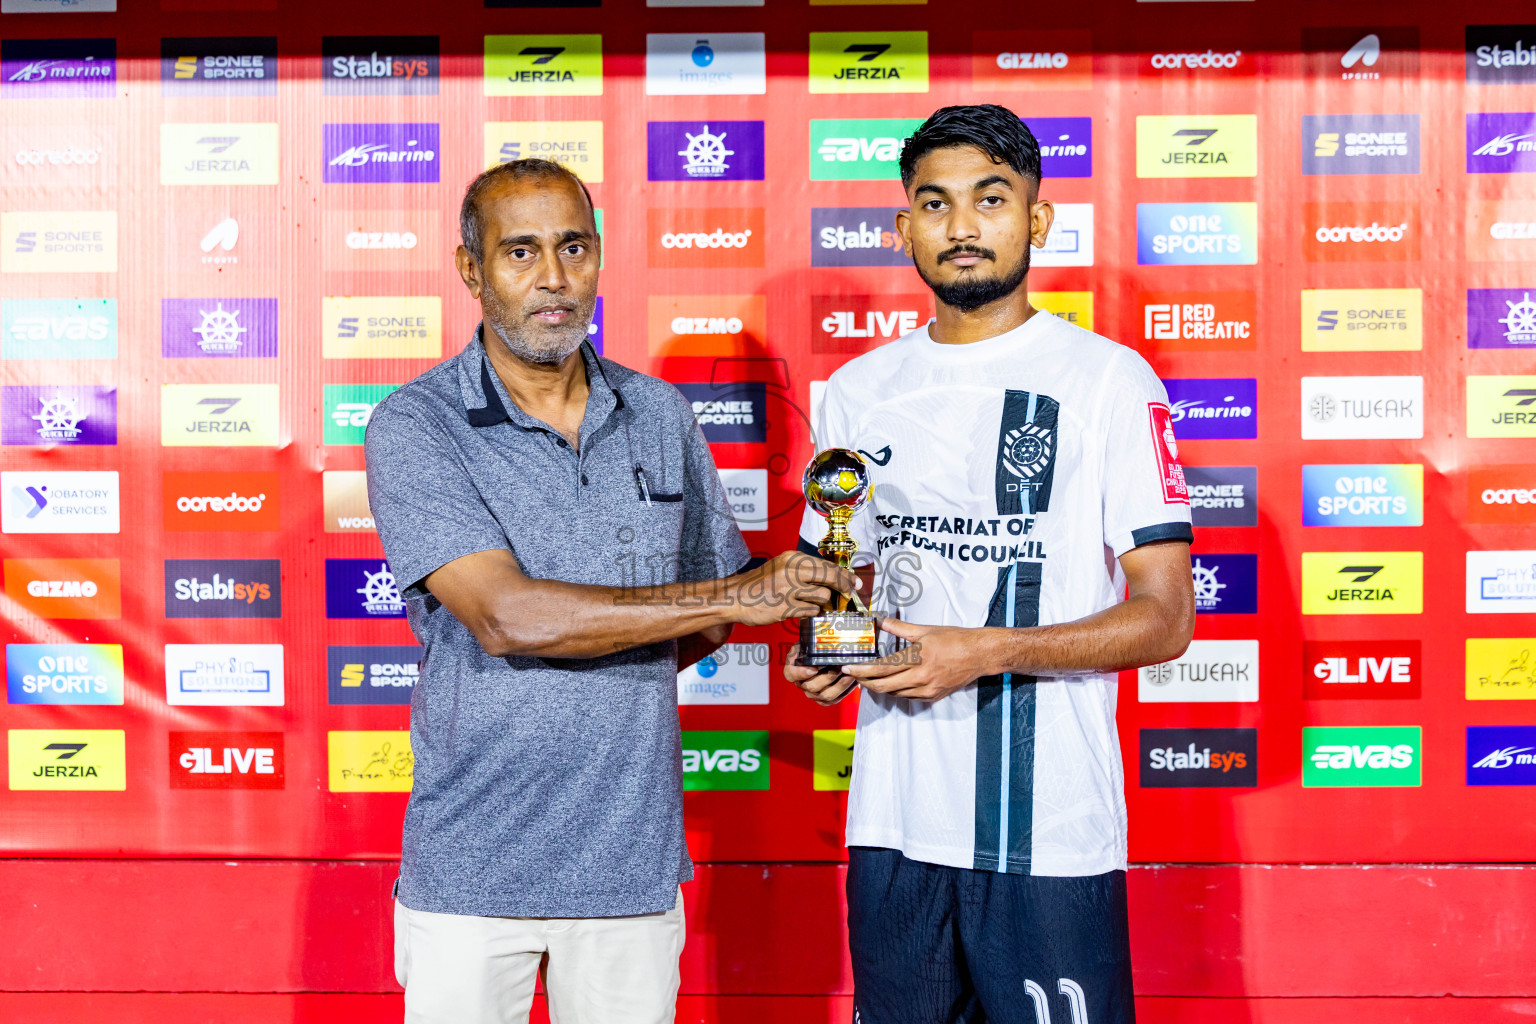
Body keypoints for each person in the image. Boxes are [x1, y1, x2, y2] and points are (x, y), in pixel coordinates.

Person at [365, 158, 855, 1024]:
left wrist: (787, 596)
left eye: (573, 248)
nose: (553, 279)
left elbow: (718, 606)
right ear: (471, 270)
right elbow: (506, 616)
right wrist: (726, 600)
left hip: (631, 866)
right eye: (520, 253)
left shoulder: (660, 414)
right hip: (472, 869)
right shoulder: (417, 423)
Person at [784, 105, 1197, 1024]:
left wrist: (982, 650)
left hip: (1046, 832)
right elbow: (836, 575)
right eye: (935, 204)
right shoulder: (857, 393)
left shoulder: (1109, 381)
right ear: (904, 229)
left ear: (1037, 220)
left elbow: (1167, 617)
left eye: (991, 199)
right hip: (892, 827)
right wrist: (824, 646)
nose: (962, 227)